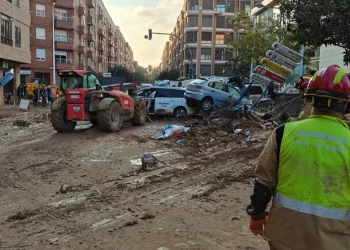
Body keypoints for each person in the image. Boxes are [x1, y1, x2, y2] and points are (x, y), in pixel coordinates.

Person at [246, 64, 350, 250]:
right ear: (346, 103)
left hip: (285, 236)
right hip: (334, 240)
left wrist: (257, 216)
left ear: (309, 97)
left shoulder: (283, 133)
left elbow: (263, 183)